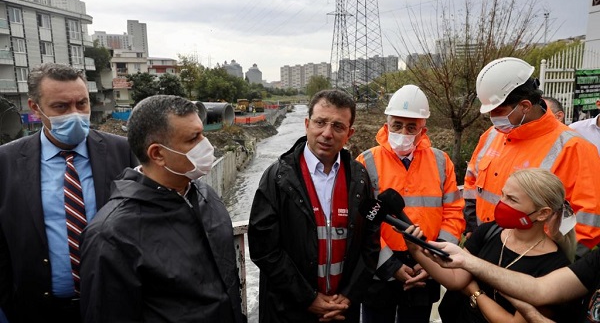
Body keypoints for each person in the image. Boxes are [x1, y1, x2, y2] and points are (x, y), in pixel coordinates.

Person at [79, 95, 245, 322]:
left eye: (202, 133)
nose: (207, 144)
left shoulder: (205, 196)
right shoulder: (111, 235)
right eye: (193, 138)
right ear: (157, 154)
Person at [0, 63, 137, 323]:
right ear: (35, 107)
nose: (75, 114)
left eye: (82, 104)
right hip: (37, 311)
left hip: (116, 307)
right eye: (61, 107)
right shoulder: (6, 163)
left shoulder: (124, 152)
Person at [248, 89, 380, 322]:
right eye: (320, 123)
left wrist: (349, 297)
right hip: (291, 311)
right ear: (307, 124)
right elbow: (264, 248)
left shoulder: (359, 178)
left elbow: (370, 241)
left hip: (342, 310)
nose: (327, 134)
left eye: (338, 127)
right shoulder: (279, 177)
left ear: (350, 133)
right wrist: (308, 298)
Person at [463, 57, 600, 258]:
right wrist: (474, 228)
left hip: (533, 260)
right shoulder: (492, 135)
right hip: (486, 246)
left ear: (525, 106)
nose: (493, 117)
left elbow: (588, 219)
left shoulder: (574, 148)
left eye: (498, 110)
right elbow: (472, 181)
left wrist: (557, 264)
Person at [355, 84, 465, 323]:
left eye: (411, 126)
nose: (403, 131)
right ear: (387, 126)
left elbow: (454, 213)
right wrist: (390, 266)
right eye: (397, 125)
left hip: (426, 263)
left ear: (422, 130)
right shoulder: (366, 161)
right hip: (379, 267)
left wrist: (435, 259)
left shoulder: (440, 161)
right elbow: (361, 221)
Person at [404, 168, 575, 322]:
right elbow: (456, 279)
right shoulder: (490, 231)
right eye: (503, 194)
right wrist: (416, 250)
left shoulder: (555, 268)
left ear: (542, 213)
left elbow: (511, 321)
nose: (501, 203)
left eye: (511, 199)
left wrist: (474, 292)